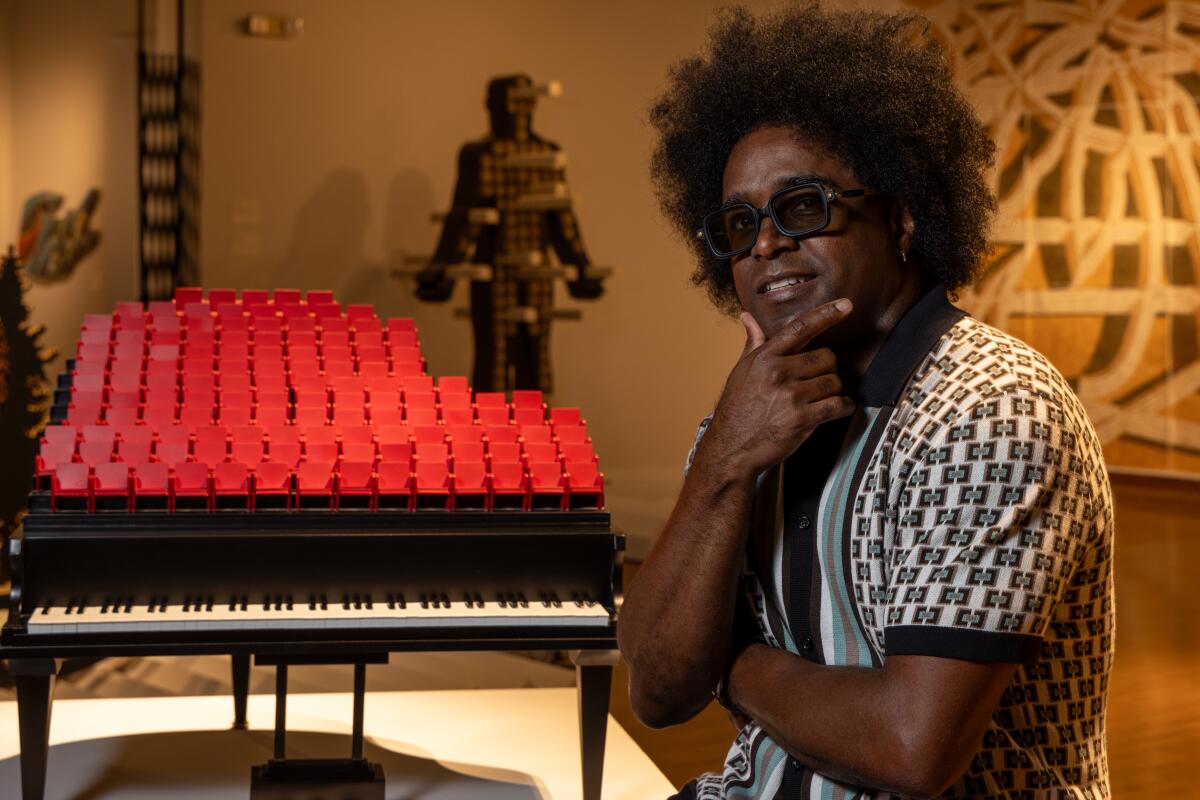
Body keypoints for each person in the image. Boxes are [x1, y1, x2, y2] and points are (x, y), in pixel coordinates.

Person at [618, 5, 1114, 799]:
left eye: (803, 206)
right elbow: (656, 689)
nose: (767, 244)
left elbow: (909, 749)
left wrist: (734, 666)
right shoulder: (753, 411)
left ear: (902, 215)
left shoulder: (991, 408)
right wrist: (721, 461)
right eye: (740, 224)